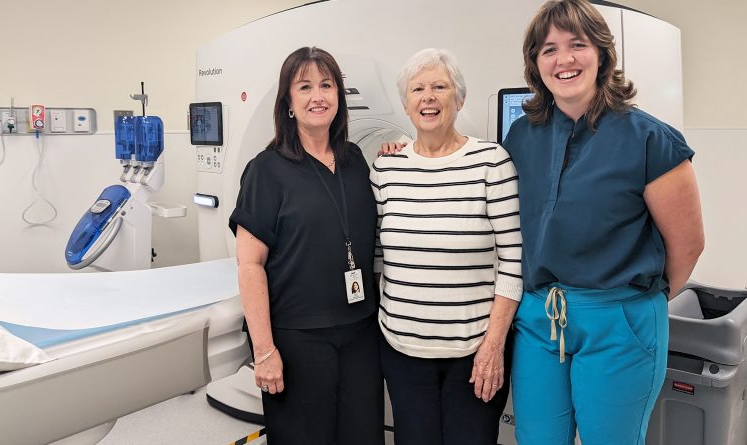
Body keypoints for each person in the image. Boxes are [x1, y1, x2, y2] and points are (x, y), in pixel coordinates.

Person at [503, 1, 705, 444]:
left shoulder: (651, 139)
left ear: (602, 53)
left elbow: (688, 245)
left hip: (618, 319)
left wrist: (631, 306)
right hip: (539, 318)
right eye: (549, 49)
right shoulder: (521, 136)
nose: (564, 59)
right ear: (536, 63)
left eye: (577, 44)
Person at [229, 46, 383, 445]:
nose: (318, 95)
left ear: (339, 97)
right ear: (289, 103)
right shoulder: (267, 170)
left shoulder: (354, 160)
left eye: (327, 85)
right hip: (298, 339)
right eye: (305, 86)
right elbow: (249, 265)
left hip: (360, 334)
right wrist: (264, 352)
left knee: (364, 436)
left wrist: (396, 154)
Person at [371, 48, 523, 445]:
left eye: (440, 86)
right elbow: (375, 257)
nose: (429, 97)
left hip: (474, 351)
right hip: (402, 349)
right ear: (405, 105)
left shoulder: (492, 162)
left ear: (459, 98)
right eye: (418, 89)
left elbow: (512, 259)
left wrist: (493, 345)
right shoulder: (386, 169)